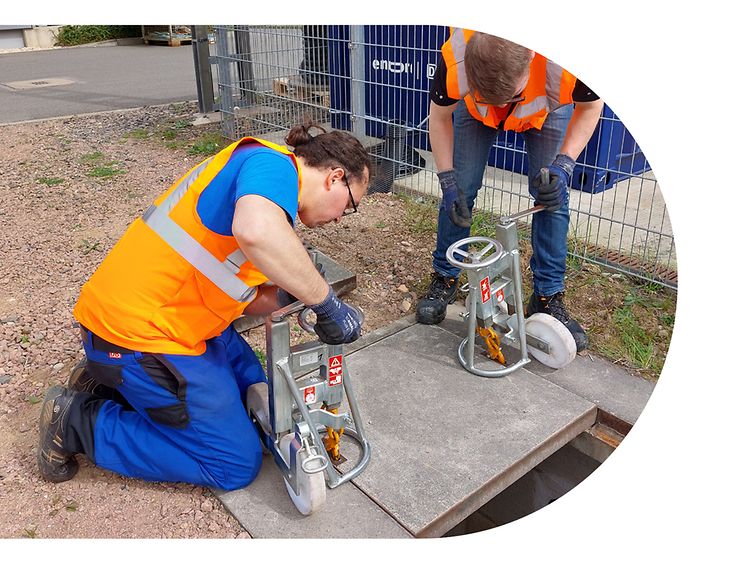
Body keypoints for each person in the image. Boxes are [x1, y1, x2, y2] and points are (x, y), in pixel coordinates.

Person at [37, 121, 373, 490]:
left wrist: (288, 292)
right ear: (334, 177)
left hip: (183, 321)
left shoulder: (265, 189)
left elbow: (241, 294)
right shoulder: (273, 167)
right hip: (139, 334)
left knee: (259, 398)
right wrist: (325, 301)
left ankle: (108, 383)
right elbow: (257, 232)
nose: (341, 217)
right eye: (350, 204)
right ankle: (75, 421)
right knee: (233, 464)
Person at [416, 29, 604, 352]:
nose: (503, 106)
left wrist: (565, 165)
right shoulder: (455, 58)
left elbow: (592, 106)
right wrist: (446, 180)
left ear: (532, 54)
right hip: (474, 116)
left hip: (544, 112)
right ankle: (445, 276)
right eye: (491, 97)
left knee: (552, 196)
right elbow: (439, 117)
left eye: (510, 97)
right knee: (460, 189)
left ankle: (547, 297)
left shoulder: (567, 61)